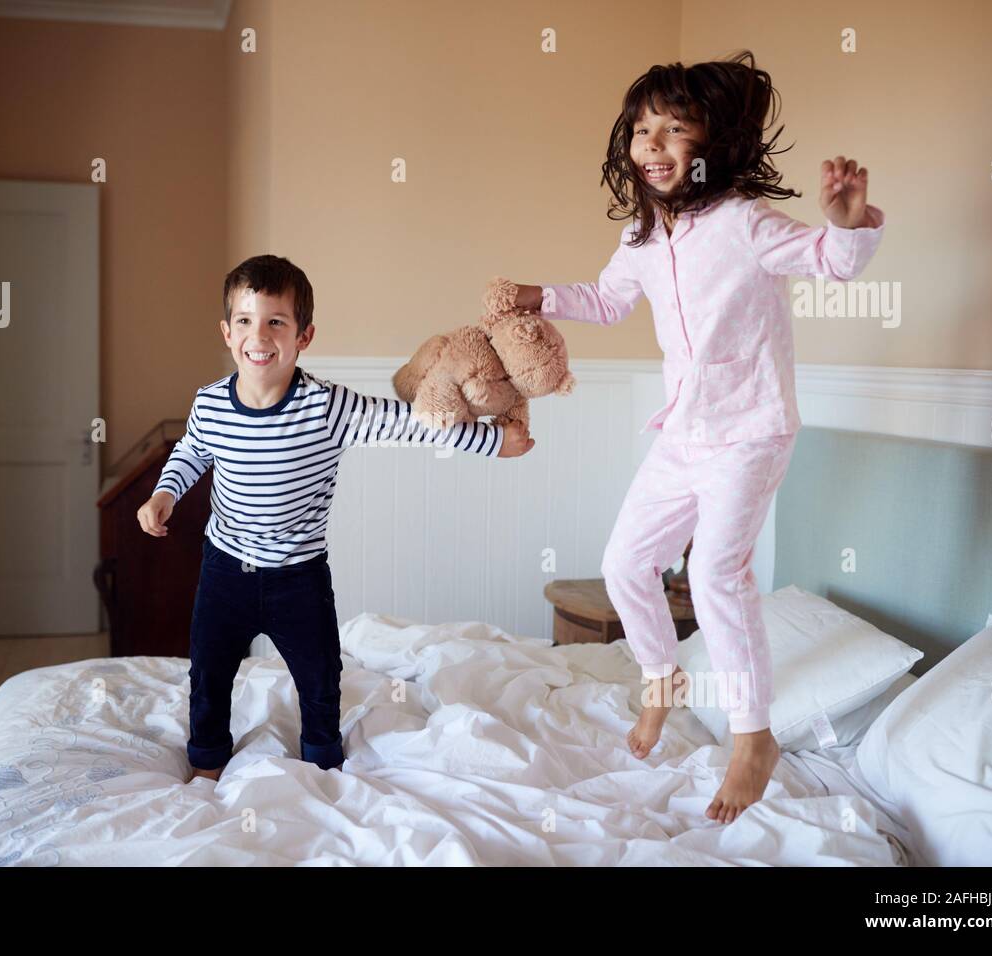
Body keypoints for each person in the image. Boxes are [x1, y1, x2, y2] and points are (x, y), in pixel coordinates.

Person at [508, 51, 886, 823]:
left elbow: (826, 262)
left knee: (716, 573)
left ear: (712, 145)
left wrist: (847, 226)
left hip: (751, 430)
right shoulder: (642, 237)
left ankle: (754, 736)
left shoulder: (744, 222)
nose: (652, 144)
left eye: (674, 129)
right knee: (624, 563)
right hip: (683, 432)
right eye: (643, 130)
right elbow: (608, 300)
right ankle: (662, 680)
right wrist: (537, 296)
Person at [137, 254, 535, 781]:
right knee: (209, 671)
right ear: (227, 333)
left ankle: (322, 757)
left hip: (297, 578)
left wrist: (491, 442)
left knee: (320, 674)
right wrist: (165, 493)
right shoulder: (209, 404)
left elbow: (412, 424)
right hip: (225, 570)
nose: (260, 335)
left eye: (276, 321)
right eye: (245, 321)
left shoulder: (327, 407)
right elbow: (192, 452)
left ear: (304, 336)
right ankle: (207, 760)